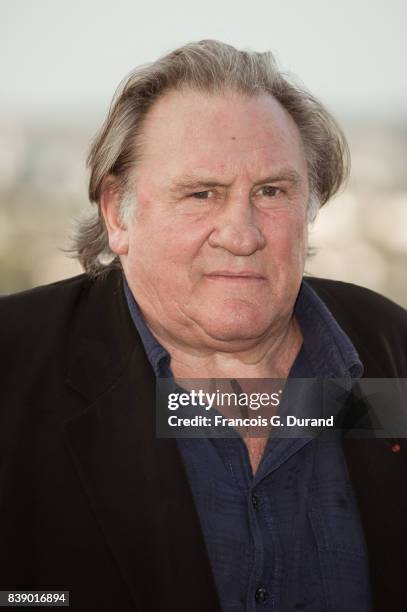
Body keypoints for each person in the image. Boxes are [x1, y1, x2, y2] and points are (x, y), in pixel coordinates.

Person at [0, 39, 406, 612]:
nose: (241, 235)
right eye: (201, 194)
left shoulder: (392, 353)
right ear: (118, 212)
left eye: (271, 191)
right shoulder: (13, 367)